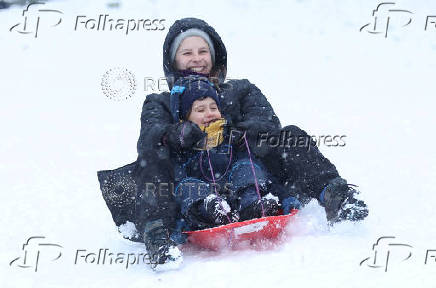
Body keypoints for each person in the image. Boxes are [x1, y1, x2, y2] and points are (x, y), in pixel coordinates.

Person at [97, 17, 368, 269]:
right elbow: (150, 139)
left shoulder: (241, 90)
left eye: (203, 52)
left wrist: (237, 134)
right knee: (152, 158)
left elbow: (267, 124)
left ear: (214, 56)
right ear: (173, 60)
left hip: (248, 173)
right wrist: (178, 134)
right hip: (187, 185)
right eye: (187, 52)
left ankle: (336, 195)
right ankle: (159, 233)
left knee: (290, 135)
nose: (197, 59)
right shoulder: (160, 102)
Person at [168, 77, 301, 232]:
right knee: (186, 186)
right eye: (200, 110)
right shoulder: (182, 148)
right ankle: (210, 210)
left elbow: (262, 173)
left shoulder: (232, 140)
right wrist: (175, 226)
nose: (209, 113)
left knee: (248, 166)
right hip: (202, 208)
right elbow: (176, 183)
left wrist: (285, 197)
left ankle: (252, 205)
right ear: (185, 119)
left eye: (213, 108)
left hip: (237, 199)